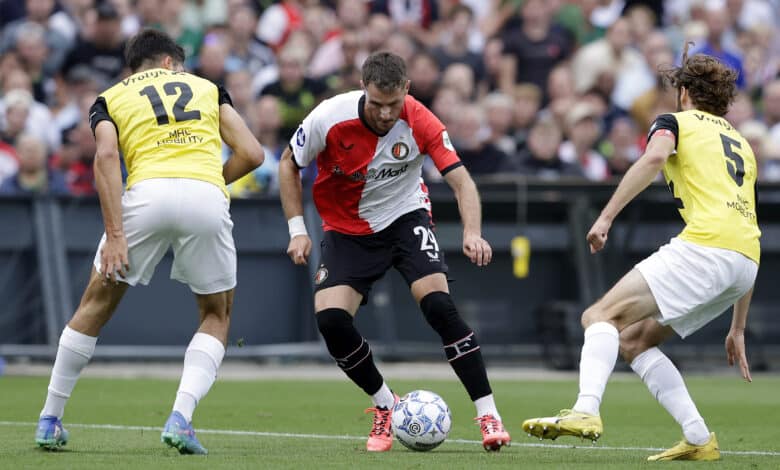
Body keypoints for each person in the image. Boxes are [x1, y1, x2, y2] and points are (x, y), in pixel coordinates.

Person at [521, 50, 760, 462]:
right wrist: (738, 326)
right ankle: (699, 437)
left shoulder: (673, 122)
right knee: (633, 340)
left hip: (706, 247)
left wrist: (606, 217)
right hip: (744, 264)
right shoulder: (743, 143)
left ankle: (585, 410)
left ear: (683, 93)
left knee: (599, 317)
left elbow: (652, 158)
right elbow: (747, 229)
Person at [34, 29, 264, 454]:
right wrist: (211, 182)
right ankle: (181, 417)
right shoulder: (209, 88)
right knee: (216, 313)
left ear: (133, 66)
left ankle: (50, 418)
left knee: (95, 305)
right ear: (169, 63)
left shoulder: (111, 97)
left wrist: (117, 235)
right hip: (205, 196)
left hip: (146, 196)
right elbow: (252, 153)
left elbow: (105, 158)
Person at [278, 51, 510, 452]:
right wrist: (297, 230)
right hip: (347, 230)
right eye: (376, 104)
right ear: (363, 89)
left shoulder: (422, 121)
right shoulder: (329, 117)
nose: (385, 114)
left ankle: (489, 414)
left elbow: (462, 182)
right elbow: (287, 163)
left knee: (439, 307)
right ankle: (386, 405)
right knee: (332, 321)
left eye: (393, 104)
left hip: (406, 218)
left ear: (407, 89)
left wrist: (473, 233)